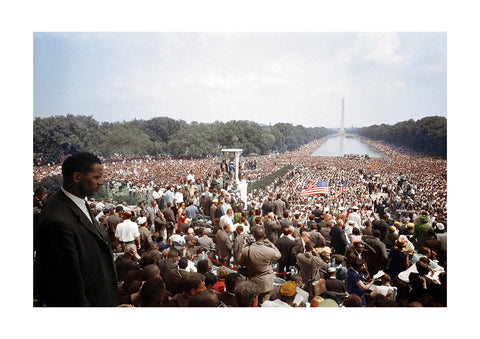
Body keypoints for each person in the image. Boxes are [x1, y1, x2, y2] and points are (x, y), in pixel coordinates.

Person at [34, 152, 118, 306]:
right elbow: (68, 287)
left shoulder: (78, 202)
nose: (101, 182)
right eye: (96, 177)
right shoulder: (57, 220)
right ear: (77, 177)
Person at [237, 226, 281, 305]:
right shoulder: (270, 250)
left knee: (252, 303)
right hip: (266, 283)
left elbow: (240, 262)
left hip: (253, 281)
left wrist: (244, 246)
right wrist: (271, 244)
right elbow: (279, 255)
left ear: (254, 236)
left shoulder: (247, 250)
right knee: (264, 304)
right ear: (264, 236)